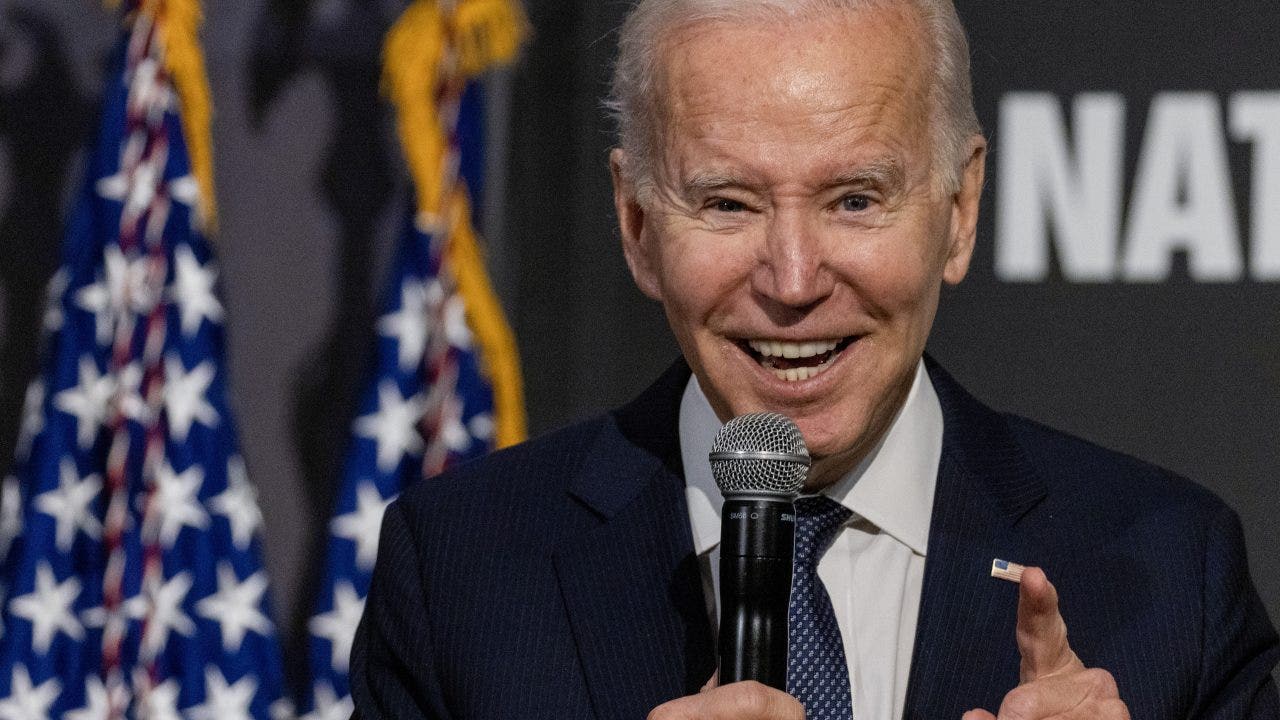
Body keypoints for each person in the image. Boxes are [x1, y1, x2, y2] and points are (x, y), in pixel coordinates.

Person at [349, 0, 1280, 717]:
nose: (793, 280)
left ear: (958, 212)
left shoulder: (1170, 574)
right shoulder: (462, 576)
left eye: (856, 199)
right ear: (636, 225)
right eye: (727, 203)